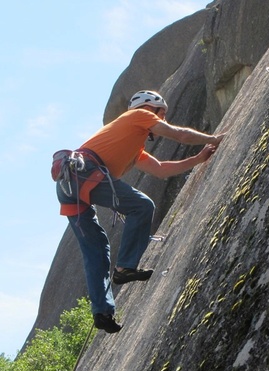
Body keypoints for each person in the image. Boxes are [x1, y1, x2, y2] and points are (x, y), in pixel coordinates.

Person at [53, 90, 224, 334]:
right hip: (84, 171)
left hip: (68, 184)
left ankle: (102, 312)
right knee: (142, 205)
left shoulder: (135, 148)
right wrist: (215, 138)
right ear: (148, 108)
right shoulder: (138, 115)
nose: (163, 120)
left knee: (97, 250)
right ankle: (124, 269)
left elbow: (161, 169)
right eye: (161, 114)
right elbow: (179, 134)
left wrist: (198, 159)